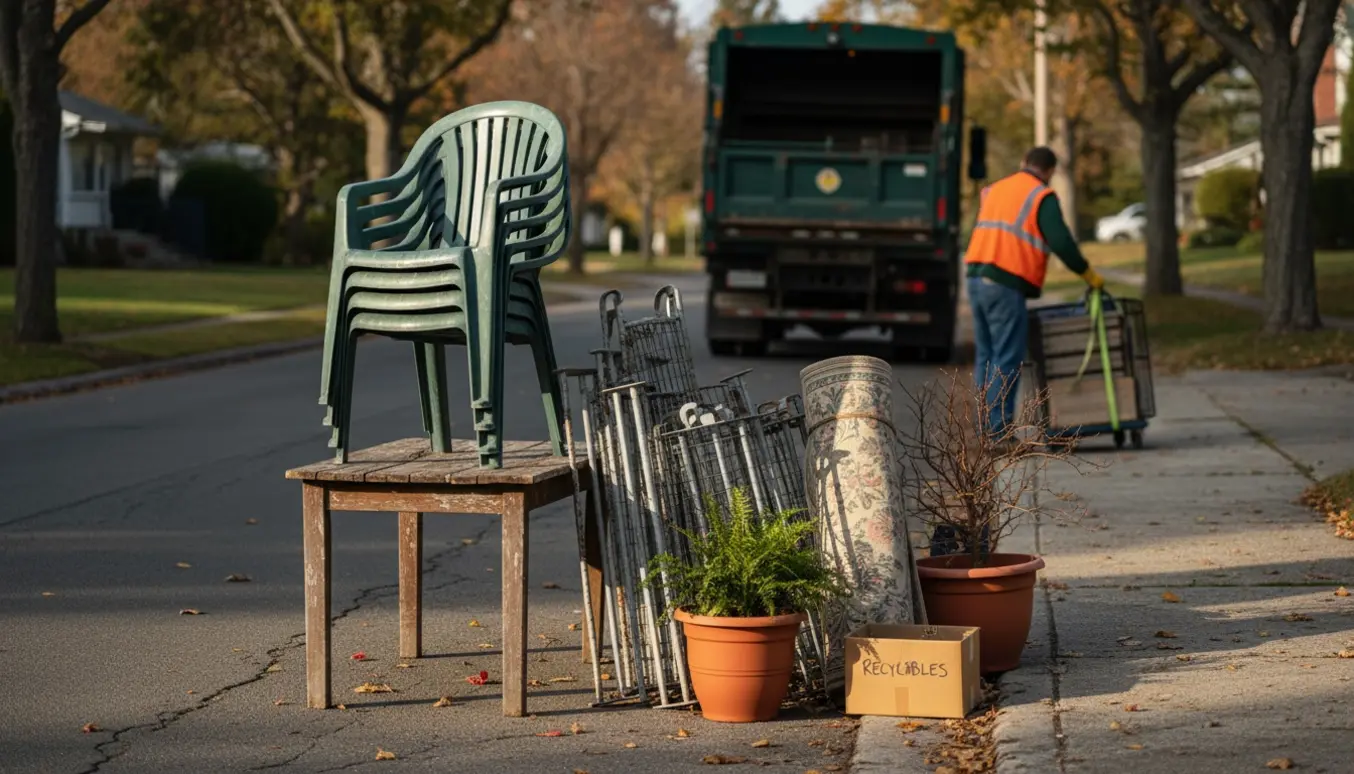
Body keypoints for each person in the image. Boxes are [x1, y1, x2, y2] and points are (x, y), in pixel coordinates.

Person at [964, 146, 1104, 439]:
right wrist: (1088, 275)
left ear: (1023, 162)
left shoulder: (995, 189)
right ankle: (998, 430)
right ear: (1050, 171)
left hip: (976, 279)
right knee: (1006, 357)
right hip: (1004, 283)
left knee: (986, 356)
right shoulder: (1040, 195)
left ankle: (984, 427)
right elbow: (1061, 242)